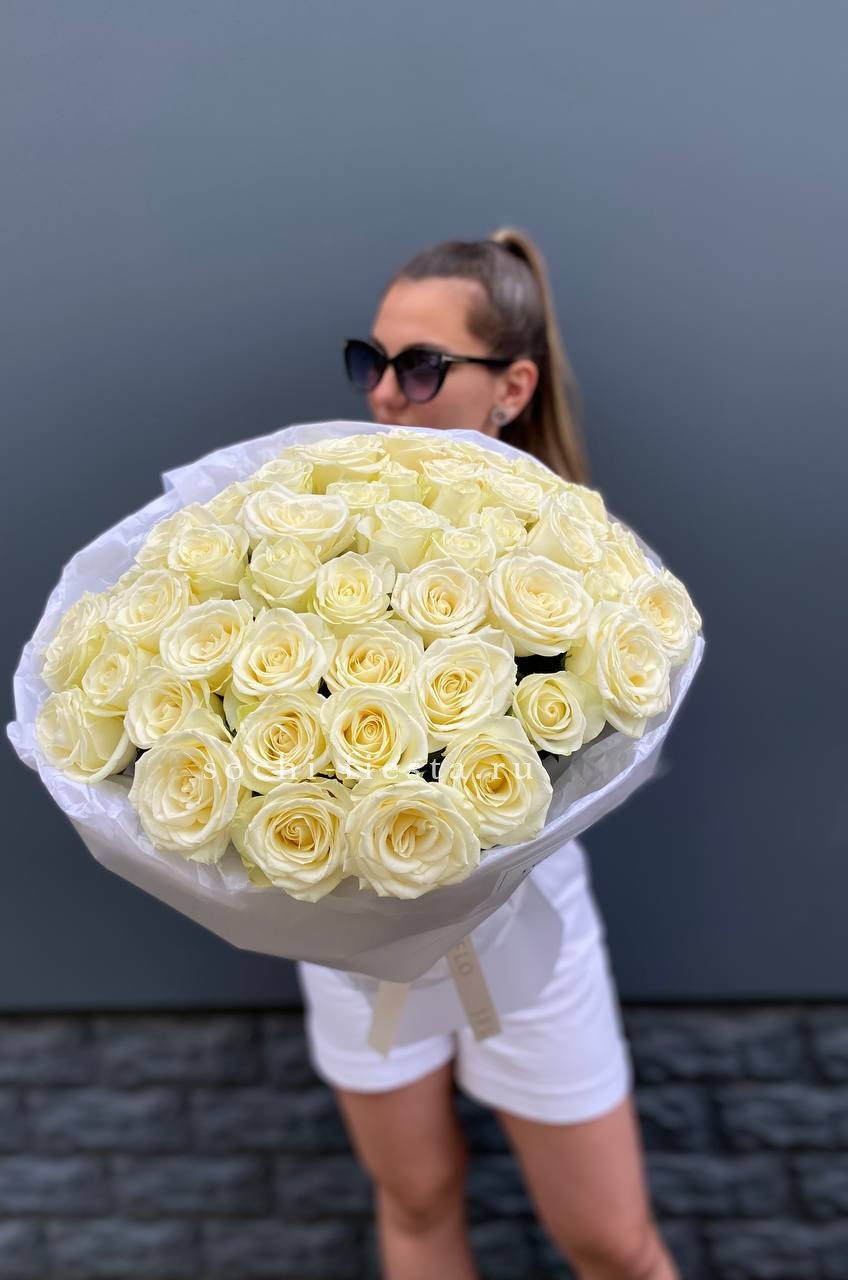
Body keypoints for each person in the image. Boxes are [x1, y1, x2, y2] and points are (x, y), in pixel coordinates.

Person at [296, 229, 679, 1279]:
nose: (385, 393)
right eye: (371, 360)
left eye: (421, 366)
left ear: (512, 387)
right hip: (351, 919)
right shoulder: (310, 525)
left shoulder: (572, 559)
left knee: (611, 1240)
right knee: (415, 1199)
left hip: (524, 924)